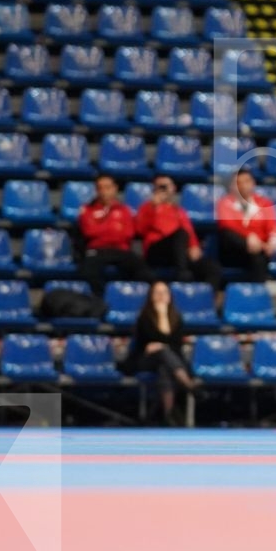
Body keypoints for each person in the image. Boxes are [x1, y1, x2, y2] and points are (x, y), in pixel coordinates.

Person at [119, 281, 200, 426]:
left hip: (169, 362)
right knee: (163, 352)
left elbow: (176, 345)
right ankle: (188, 384)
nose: (161, 296)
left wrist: (164, 320)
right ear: (151, 296)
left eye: (164, 292)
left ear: (170, 297)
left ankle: (168, 416)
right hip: (145, 360)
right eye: (157, 292)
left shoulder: (176, 318)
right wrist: (161, 316)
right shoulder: (144, 317)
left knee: (164, 367)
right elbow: (145, 344)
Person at [133, 174, 220, 287]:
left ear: (173, 188)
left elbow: (189, 231)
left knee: (212, 268)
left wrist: (194, 246)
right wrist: (153, 208)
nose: (163, 190)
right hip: (156, 251)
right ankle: (183, 275)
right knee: (180, 234)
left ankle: (205, 298)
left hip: (178, 253)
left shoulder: (179, 211)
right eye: (159, 186)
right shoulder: (146, 207)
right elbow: (140, 230)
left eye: (165, 186)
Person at [75, 173, 151, 293]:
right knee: (87, 272)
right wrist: (114, 228)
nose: (104, 191)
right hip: (97, 250)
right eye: (100, 188)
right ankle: (102, 301)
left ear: (115, 188)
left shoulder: (124, 210)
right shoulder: (87, 209)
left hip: (121, 250)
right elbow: (89, 232)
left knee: (145, 273)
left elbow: (128, 234)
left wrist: (102, 228)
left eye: (107, 187)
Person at [214, 170, 276, 283]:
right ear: (231, 186)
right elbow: (227, 224)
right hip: (233, 252)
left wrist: (272, 243)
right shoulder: (224, 203)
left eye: (246, 181)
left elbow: (273, 228)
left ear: (253, 183)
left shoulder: (265, 204)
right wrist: (248, 238)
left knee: (260, 257)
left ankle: (257, 294)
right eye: (238, 182)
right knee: (226, 233)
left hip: (257, 251)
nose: (243, 186)